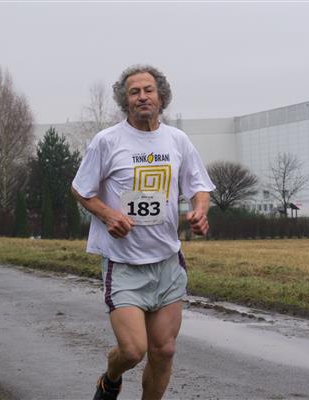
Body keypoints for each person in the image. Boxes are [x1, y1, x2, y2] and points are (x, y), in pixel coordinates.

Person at [71, 65, 215, 400]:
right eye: (134, 92)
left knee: (164, 350)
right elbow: (80, 189)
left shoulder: (177, 140)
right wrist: (109, 215)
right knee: (133, 350)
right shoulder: (107, 141)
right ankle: (110, 378)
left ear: (161, 96)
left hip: (166, 262)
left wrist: (200, 211)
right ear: (125, 101)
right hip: (123, 264)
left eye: (148, 90)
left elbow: (199, 186)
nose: (142, 97)